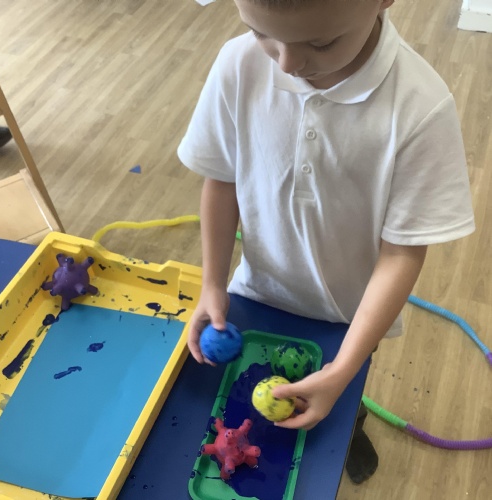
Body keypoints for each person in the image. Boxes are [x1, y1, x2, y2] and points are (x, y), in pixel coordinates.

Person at [177, 0, 475, 484]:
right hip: (257, 294)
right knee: (247, 398)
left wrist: (343, 370)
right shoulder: (238, 64)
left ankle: (351, 427)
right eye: (260, 32)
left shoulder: (420, 106)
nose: (286, 64)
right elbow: (221, 180)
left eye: (320, 42)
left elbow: (402, 252)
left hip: (348, 320)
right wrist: (212, 284)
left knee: (337, 403)